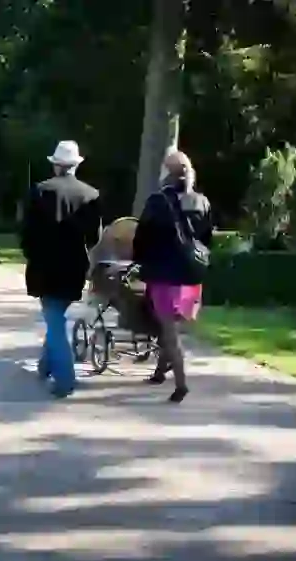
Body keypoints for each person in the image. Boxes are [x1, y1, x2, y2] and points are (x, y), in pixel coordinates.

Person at [19, 140, 103, 397]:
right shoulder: (91, 195)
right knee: (55, 315)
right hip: (74, 266)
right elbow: (95, 237)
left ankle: (65, 379)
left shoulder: (39, 191)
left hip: (44, 266)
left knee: (54, 320)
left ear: (56, 165)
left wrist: (31, 254)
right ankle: (46, 366)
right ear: (75, 165)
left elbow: (26, 232)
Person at [132, 150, 213, 403]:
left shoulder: (158, 201)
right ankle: (159, 372)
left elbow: (142, 237)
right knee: (171, 326)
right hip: (191, 273)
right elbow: (207, 237)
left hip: (165, 274)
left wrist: (139, 261)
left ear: (166, 172)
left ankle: (181, 383)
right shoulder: (201, 201)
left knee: (168, 330)